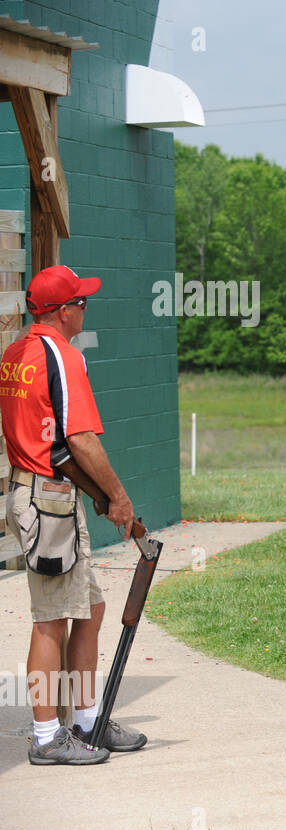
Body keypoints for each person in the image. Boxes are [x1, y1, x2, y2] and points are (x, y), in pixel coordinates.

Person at [0, 265, 145, 765]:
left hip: (45, 493)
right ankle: (46, 736)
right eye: (81, 302)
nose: (86, 309)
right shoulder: (62, 356)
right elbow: (80, 439)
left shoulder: (18, 351)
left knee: (89, 609)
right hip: (49, 499)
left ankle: (86, 722)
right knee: (51, 620)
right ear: (63, 312)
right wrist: (118, 496)